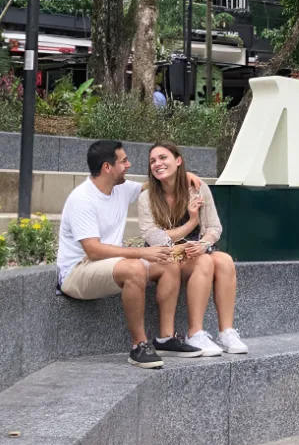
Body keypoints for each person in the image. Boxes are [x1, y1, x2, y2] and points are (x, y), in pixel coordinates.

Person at [57, 140, 203, 368]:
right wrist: (143, 253)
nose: (129, 164)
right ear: (107, 167)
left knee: (167, 262)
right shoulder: (82, 199)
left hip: (111, 265)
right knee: (134, 267)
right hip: (77, 272)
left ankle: (165, 338)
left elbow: (151, 184)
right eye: (123, 161)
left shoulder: (120, 189)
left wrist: (184, 173)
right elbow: (93, 251)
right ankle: (139, 346)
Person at [139, 142, 247, 356]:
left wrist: (203, 244)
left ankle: (226, 332)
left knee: (224, 260)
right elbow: (154, 238)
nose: (157, 163)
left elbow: (214, 227)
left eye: (163, 158)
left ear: (178, 161)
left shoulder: (197, 189)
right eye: (153, 161)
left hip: (192, 253)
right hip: (163, 256)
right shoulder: (147, 197)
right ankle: (195, 332)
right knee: (206, 261)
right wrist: (191, 223)